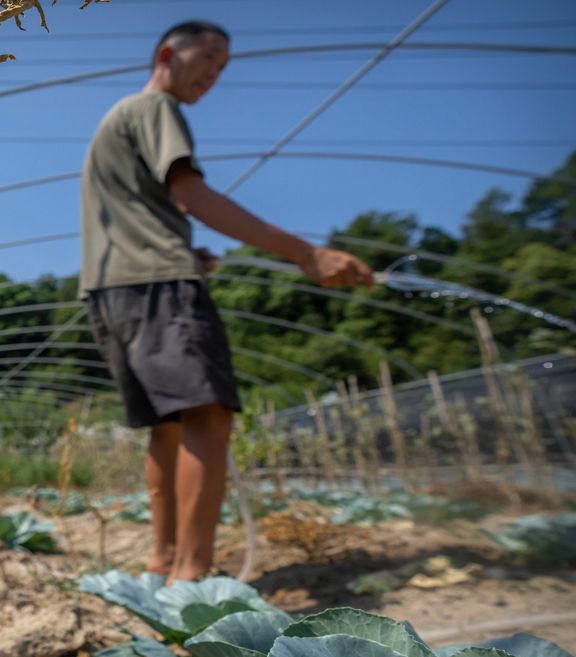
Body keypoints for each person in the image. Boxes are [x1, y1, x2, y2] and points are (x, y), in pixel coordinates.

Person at [79, 20, 373, 584]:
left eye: (223, 67)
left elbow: (150, 212)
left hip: (112, 288)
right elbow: (191, 194)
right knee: (207, 416)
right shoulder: (155, 109)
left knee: (167, 425)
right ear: (168, 53)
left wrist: (191, 251)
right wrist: (305, 253)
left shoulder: (115, 121)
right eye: (208, 57)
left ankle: (162, 561)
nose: (213, 74)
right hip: (158, 283)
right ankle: (193, 577)